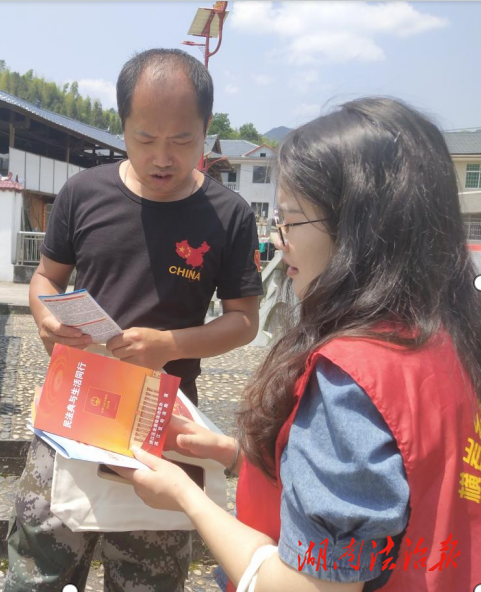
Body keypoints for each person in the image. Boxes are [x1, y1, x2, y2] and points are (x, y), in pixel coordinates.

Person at [114, 97, 481, 591]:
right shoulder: (448, 338)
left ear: (357, 229)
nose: (279, 239)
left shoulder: (351, 377)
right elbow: (398, 479)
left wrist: (185, 494)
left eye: (289, 219)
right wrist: (239, 455)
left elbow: (311, 585)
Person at [4, 48, 264, 591]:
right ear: (122, 126)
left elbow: (243, 320)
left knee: (147, 576)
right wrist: (46, 318)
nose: (163, 157)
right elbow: (45, 279)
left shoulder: (228, 214)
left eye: (183, 141)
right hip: (73, 406)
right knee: (39, 568)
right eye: (145, 139)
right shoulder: (84, 193)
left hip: (163, 420)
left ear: (206, 130)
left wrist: (169, 343)